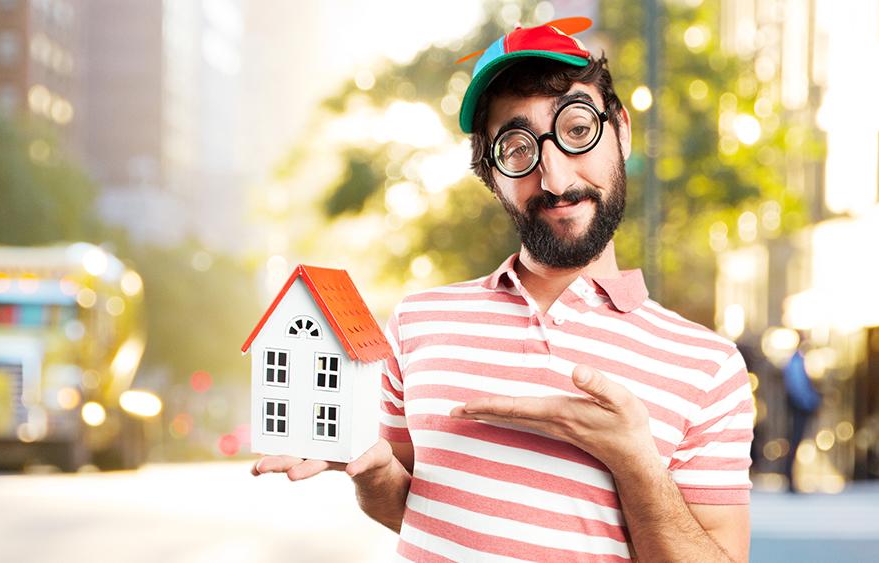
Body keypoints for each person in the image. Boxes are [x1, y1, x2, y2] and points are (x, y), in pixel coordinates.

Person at [253, 18, 754, 562]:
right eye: (517, 149)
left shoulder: (709, 367)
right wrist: (373, 472)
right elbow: (410, 507)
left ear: (622, 131)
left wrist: (633, 460)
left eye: (578, 130)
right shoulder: (421, 322)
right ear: (491, 174)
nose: (556, 179)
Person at [782, 334, 821, 493]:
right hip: (799, 406)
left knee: (795, 441)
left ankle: (790, 477)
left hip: (798, 405)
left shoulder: (797, 360)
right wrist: (811, 402)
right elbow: (798, 387)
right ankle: (789, 478)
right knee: (795, 441)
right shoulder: (797, 361)